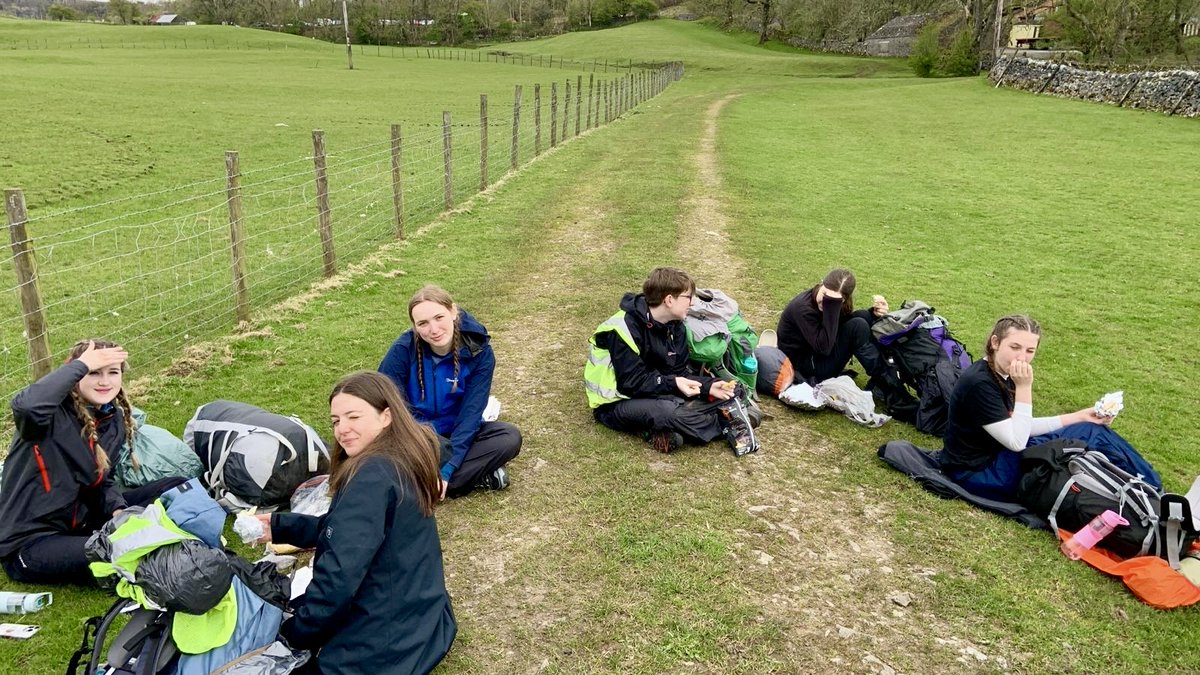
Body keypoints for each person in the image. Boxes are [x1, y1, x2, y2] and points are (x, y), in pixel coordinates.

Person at [256, 372, 456, 675]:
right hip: (425, 622)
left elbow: (337, 581)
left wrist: (294, 634)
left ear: (386, 415)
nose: (342, 429)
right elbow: (351, 531)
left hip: (381, 651)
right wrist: (281, 526)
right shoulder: (406, 456)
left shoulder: (371, 475)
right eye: (336, 420)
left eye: (353, 417)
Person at [0, 339, 186, 585]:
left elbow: (101, 480)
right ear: (75, 375)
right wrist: (81, 364)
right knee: (113, 551)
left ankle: (159, 533)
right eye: (94, 372)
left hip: (84, 521)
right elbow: (27, 406)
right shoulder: (47, 417)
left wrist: (117, 509)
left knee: (178, 487)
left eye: (113, 372)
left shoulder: (113, 419)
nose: (105, 381)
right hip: (31, 542)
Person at [939, 315, 1158, 502]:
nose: (1021, 357)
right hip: (979, 473)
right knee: (1089, 435)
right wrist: (1025, 387)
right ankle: (1153, 488)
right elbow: (1016, 442)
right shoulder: (980, 383)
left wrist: (1080, 416)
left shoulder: (999, 372)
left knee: (1087, 428)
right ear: (995, 342)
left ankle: (1144, 488)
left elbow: (1017, 426)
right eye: (1015, 347)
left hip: (996, 456)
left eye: (1029, 350)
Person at [585, 267, 754, 455]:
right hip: (616, 402)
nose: (693, 303)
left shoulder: (676, 327)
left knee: (733, 389)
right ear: (669, 300)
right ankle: (726, 421)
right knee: (667, 411)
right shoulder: (622, 329)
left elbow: (680, 373)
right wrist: (674, 383)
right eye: (689, 297)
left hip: (656, 392)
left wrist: (709, 387)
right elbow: (631, 383)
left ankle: (687, 424)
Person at [379, 285, 521, 499]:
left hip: (455, 432)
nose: (433, 330)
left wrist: (446, 469)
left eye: (439, 317)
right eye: (423, 323)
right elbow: (383, 404)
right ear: (415, 326)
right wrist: (417, 440)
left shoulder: (479, 352)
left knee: (508, 437)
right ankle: (473, 478)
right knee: (382, 454)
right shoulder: (402, 350)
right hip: (415, 436)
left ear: (453, 312)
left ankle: (421, 486)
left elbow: (470, 415)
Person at [776, 268, 891, 385]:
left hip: (816, 354)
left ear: (844, 299)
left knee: (864, 315)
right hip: (803, 365)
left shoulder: (838, 302)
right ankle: (887, 381)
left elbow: (840, 323)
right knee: (857, 326)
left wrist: (874, 314)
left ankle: (887, 373)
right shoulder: (803, 308)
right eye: (825, 294)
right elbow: (823, 348)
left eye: (834, 300)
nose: (825, 302)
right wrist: (831, 307)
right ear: (822, 283)